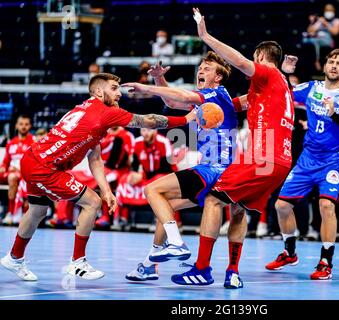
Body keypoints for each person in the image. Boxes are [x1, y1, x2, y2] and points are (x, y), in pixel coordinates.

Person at [0, 73, 192, 281]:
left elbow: (95, 158)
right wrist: (187, 119)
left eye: (119, 88)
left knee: (37, 210)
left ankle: (15, 257)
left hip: (34, 159)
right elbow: (149, 121)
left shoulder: (85, 108)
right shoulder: (106, 112)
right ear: (99, 91)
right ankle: (77, 262)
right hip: (44, 167)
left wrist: (108, 191)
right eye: (114, 88)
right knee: (92, 202)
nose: (119, 93)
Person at [169, 8, 295, 288]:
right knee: (237, 209)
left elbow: (237, 61)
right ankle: (233, 272)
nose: (252, 63)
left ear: (261, 57)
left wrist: (205, 35)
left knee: (214, 200)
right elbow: (232, 106)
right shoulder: (276, 87)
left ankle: (201, 268)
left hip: (264, 154)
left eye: (255, 59)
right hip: (279, 160)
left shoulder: (268, 75)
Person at [122, 51, 243, 286]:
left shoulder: (215, 94)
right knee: (165, 209)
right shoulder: (208, 102)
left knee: (152, 190)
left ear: (218, 77)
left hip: (213, 170)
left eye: (207, 68)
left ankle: (176, 243)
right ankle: (149, 266)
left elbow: (181, 95)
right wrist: (159, 78)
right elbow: (173, 101)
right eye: (200, 66)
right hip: (215, 171)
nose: (201, 70)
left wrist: (147, 88)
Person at [266, 49, 339, 280]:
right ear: (325, 66)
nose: (334, 66)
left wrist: (334, 115)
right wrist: (284, 72)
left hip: (334, 158)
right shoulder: (312, 88)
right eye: (331, 62)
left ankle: (325, 262)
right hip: (308, 157)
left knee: (326, 206)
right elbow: (284, 94)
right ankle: (289, 253)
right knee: (281, 205)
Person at [0, 115, 34, 226]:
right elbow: (5, 162)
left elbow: (35, 162)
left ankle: (17, 213)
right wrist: (3, 167)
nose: (23, 127)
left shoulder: (33, 142)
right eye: (21, 124)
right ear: (16, 125)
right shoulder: (11, 143)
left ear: (30, 126)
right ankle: (10, 212)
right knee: (12, 177)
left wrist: (21, 170)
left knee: (15, 178)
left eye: (26, 124)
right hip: (12, 173)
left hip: (27, 174)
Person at [302, 3, 339, 71]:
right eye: (327, 10)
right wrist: (313, 22)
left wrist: (326, 24)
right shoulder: (321, 20)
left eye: (330, 10)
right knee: (305, 40)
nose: (328, 11)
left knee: (315, 41)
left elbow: (335, 32)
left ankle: (316, 61)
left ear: (333, 11)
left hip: (328, 40)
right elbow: (310, 30)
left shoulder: (337, 21)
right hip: (318, 37)